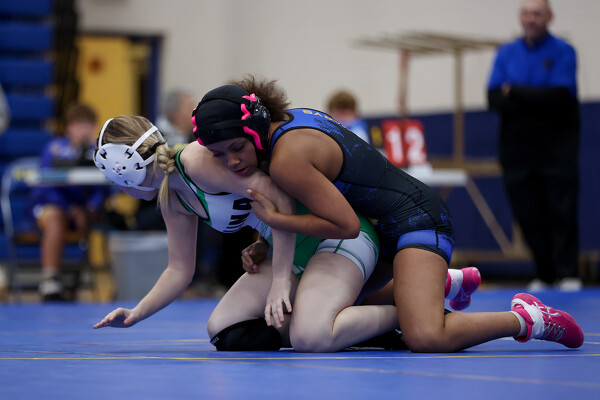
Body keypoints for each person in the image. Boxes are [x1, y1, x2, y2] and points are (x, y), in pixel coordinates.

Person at [191, 76, 584, 352]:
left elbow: (344, 225)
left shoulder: (285, 159)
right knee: (342, 311)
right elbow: (315, 204)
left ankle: (527, 319)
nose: (232, 162)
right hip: (379, 228)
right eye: (219, 155)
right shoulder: (288, 124)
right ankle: (443, 284)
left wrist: (276, 222)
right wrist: (266, 242)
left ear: (256, 128)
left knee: (426, 336)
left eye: (237, 148)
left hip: (416, 221)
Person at [91, 115, 478, 352]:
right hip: (289, 249)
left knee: (313, 337)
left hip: (333, 235)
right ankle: (391, 303)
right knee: (226, 331)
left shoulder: (195, 161)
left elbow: (279, 197)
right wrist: (137, 313)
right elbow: (179, 270)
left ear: (121, 170)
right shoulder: (171, 197)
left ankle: (410, 311)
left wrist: (279, 281)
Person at [487, 0, 581, 292]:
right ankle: (545, 273)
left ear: (549, 16)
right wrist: (536, 98)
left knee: (561, 211)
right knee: (528, 214)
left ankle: (568, 273)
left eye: (537, 14)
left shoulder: (564, 51)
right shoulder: (506, 53)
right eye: (526, 13)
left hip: (557, 150)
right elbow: (493, 99)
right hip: (517, 151)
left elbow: (559, 98)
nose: (531, 19)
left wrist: (514, 91)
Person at [30, 103, 108, 301]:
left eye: (88, 125)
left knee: (106, 218)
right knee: (55, 218)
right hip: (53, 208)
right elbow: (46, 187)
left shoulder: (99, 152)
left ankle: (80, 281)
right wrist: (71, 209)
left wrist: (91, 207)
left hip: (84, 210)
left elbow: (102, 189)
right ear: (68, 128)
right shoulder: (54, 149)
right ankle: (50, 280)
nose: (84, 130)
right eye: (79, 125)